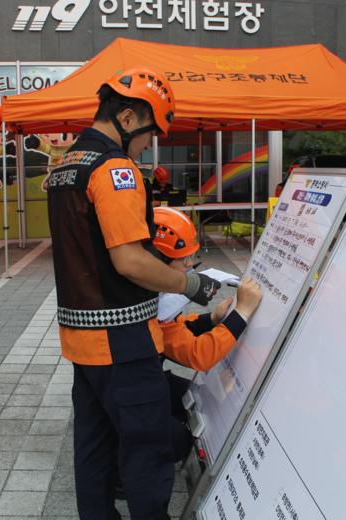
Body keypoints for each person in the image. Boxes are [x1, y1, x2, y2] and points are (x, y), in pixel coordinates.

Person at [47, 66, 221, 519]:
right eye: (150, 133)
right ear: (126, 119)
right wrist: (192, 284)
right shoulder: (114, 169)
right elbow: (130, 261)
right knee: (147, 451)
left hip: (80, 339)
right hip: (122, 340)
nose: (150, 143)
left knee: (94, 448)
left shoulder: (66, 164)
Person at [151, 206, 263, 462]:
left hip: (141, 378)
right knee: (178, 443)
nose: (190, 264)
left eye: (191, 256)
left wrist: (212, 319)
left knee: (195, 398)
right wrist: (241, 313)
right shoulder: (147, 304)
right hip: (128, 391)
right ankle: (120, 458)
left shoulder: (148, 290)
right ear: (157, 260)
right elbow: (199, 355)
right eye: (183, 259)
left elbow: (173, 326)